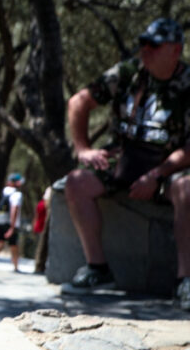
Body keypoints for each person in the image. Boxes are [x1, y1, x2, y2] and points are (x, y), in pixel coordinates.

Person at [64, 17, 190, 309]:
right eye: (143, 44)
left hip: (169, 164)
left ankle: (186, 281)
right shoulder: (128, 73)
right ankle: (98, 268)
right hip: (125, 158)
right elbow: (77, 102)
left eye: (154, 46)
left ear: (175, 50)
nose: (145, 50)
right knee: (76, 183)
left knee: (187, 189)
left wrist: (156, 176)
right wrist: (83, 149)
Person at [0, 173, 24, 271]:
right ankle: (16, 267)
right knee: (14, 245)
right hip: (9, 223)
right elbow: (14, 209)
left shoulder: (2, 191)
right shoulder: (17, 194)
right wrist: (12, 227)